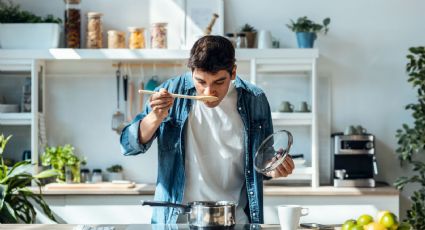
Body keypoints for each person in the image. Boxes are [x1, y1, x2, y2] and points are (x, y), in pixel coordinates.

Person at [120, 35, 295, 224]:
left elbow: (262, 163)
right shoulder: (170, 91)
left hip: (234, 219)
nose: (208, 92)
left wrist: (273, 168)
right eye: (201, 82)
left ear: (233, 72)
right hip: (177, 220)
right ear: (192, 72)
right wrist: (155, 117)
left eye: (219, 82)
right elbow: (128, 145)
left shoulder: (255, 99)